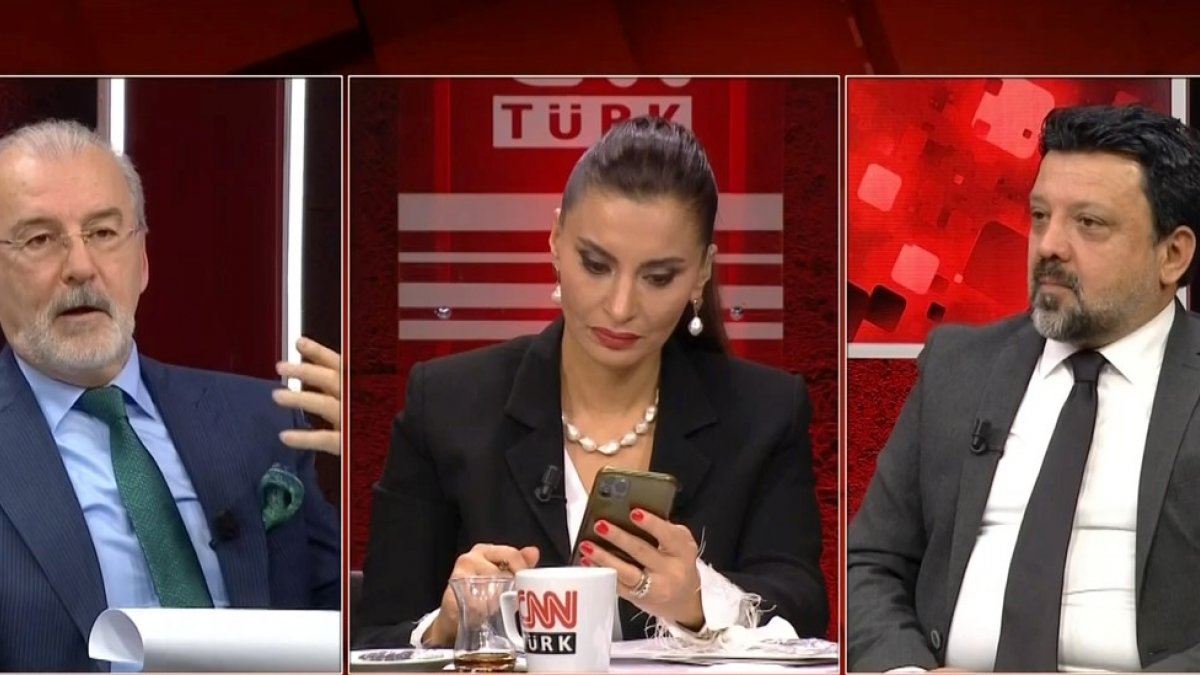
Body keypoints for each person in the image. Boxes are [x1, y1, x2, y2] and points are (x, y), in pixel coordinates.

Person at [354, 116, 828, 649]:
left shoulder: (766, 413)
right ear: (556, 240)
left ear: (701, 272)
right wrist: (447, 625)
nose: (621, 307)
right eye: (597, 265)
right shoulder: (445, 404)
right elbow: (375, 636)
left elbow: (804, 606)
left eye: (658, 277)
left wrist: (700, 602)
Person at [847, 104, 1200, 672]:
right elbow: (872, 562)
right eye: (1040, 216)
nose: (1049, 245)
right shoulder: (958, 367)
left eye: (1089, 223)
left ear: (1173, 254)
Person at [0, 119, 341, 672]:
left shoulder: (262, 421)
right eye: (40, 239)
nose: (81, 268)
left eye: (104, 233)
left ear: (142, 261)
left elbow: (352, 621)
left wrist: (383, 471)